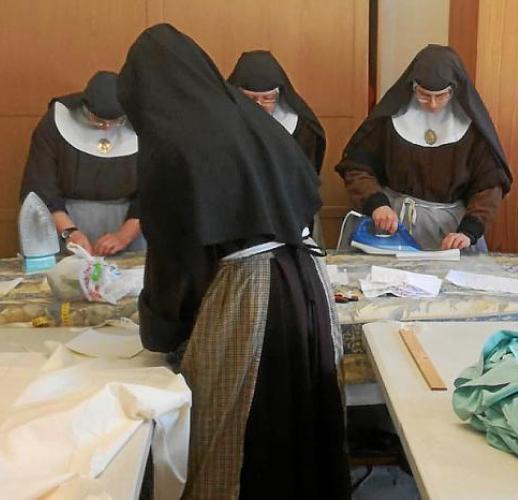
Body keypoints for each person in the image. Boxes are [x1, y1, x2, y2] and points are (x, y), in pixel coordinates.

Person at [118, 24, 349, 499]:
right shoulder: (250, 120)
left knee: (237, 423)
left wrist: (161, 329)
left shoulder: (173, 142)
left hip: (252, 294)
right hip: (308, 285)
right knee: (302, 419)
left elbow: (175, 256)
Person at [335, 44, 512, 251]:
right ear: (412, 87)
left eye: (441, 96)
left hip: (451, 232)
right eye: (424, 95)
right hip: (393, 227)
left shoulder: (473, 132)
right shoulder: (390, 122)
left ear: (454, 90)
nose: (433, 104)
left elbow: (489, 186)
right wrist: (377, 204)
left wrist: (469, 231)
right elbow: (357, 168)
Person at [19, 71, 144, 255]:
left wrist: (124, 236)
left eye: (116, 121)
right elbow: (40, 188)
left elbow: (154, 191)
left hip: (130, 226)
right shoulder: (54, 123)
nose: (106, 128)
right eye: (98, 121)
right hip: (64, 222)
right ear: (85, 107)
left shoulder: (146, 125)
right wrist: (70, 233)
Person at [228, 50, 326, 175]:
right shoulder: (222, 125)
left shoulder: (302, 129)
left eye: (267, 98)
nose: (258, 105)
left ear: (278, 97)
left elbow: (306, 174)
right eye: (250, 99)